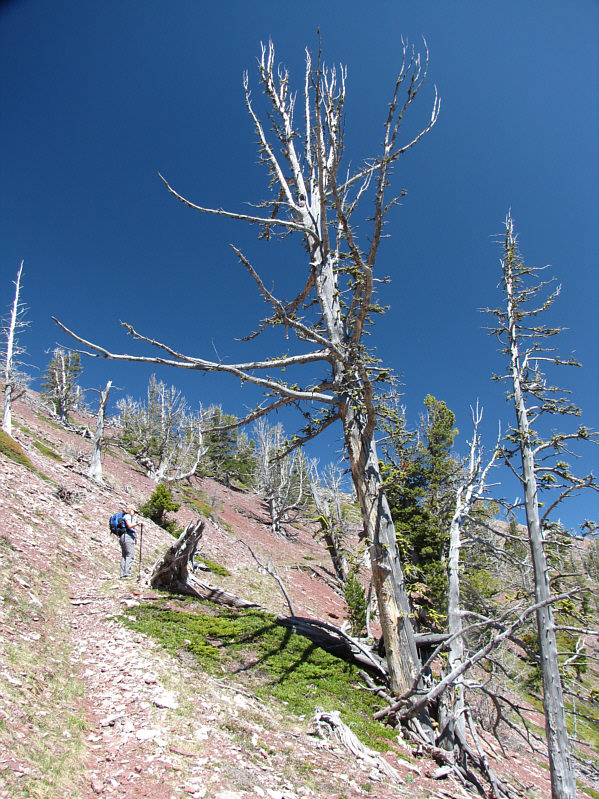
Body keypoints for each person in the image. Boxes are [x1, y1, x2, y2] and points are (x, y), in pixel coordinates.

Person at [119, 504, 137, 578]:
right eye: (134, 511)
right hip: (128, 537)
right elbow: (129, 526)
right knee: (130, 555)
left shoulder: (124, 516)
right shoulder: (128, 516)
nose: (135, 513)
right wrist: (136, 523)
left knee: (124, 556)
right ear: (131, 510)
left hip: (122, 537)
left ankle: (122, 574)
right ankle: (127, 574)